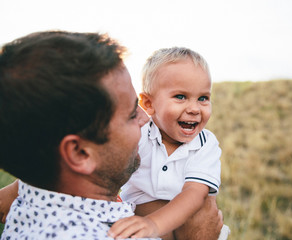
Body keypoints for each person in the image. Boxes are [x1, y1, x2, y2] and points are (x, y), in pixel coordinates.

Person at [0, 31, 223, 239]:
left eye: (203, 98)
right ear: (79, 153)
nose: (145, 119)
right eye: (130, 115)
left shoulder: (37, 194)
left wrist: (16, 188)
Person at [107, 47, 230, 240]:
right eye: (180, 97)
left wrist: (153, 223)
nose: (194, 109)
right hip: (137, 225)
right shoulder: (139, 134)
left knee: (203, 210)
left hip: (187, 228)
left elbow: (194, 194)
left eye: (203, 98)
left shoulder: (205, 144)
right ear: (148, 104)